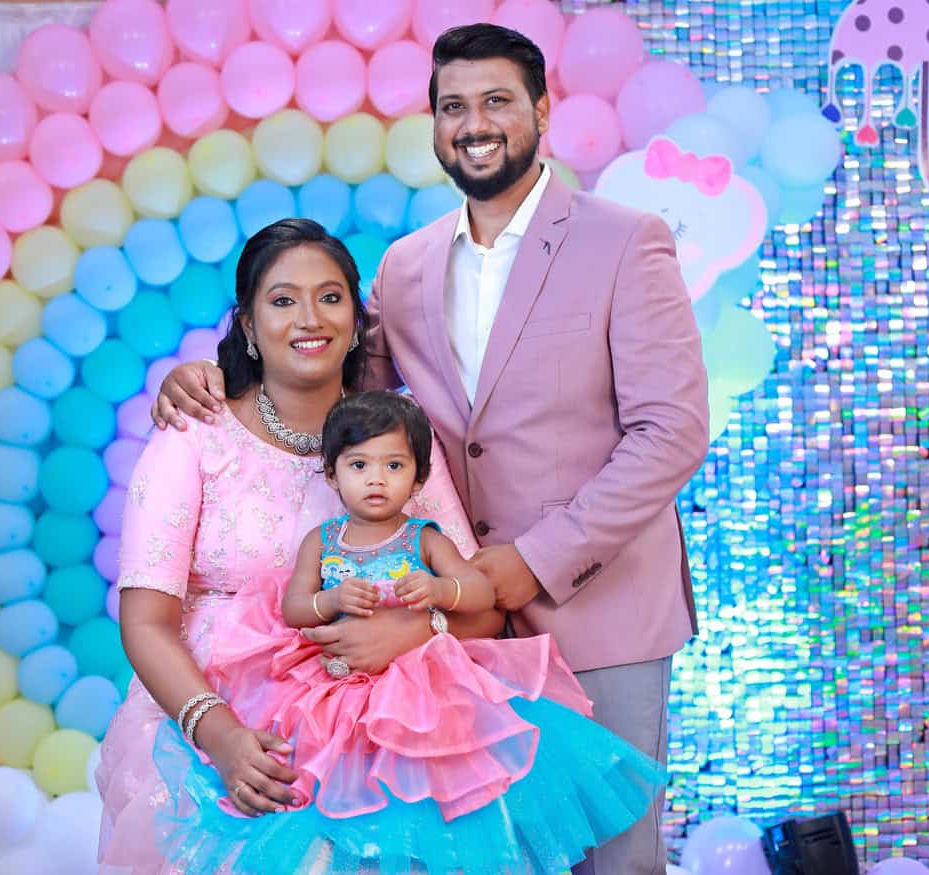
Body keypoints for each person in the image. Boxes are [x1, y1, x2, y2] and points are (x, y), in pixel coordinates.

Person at [153, 23, 710, 875]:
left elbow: (670, 431)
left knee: (613, 856)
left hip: (595, 599)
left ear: (542, 111)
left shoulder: (625, 239)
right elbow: (337, 387)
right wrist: (212, 372)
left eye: (496, 101)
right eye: (454, 106)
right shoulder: (407, 267)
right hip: (442, 626)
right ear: (435, 124)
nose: (474, 123)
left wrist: (529, 561)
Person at [99, 218, 661, 875]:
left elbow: (479, 604)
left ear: (357, 318)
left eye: (330, 296)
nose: (310, 317)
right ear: (247, 325)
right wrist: (221, 735)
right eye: (282, 300)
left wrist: (417, 629)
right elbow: (144, 620)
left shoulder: (393, 441)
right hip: (224, 724)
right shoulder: (196, 434)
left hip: (388, 735)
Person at [198, 389, 663, 862]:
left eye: (393, 466)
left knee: (423, 793)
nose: (376, 480)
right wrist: (329, 599)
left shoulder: (424, 539)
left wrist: (440, 591)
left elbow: (480, 592)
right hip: (337, 694)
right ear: (332, 474)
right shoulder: (321, 542)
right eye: (359, 466)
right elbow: (294, 609)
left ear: (419, 477)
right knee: (338, 796)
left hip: (418, 687)